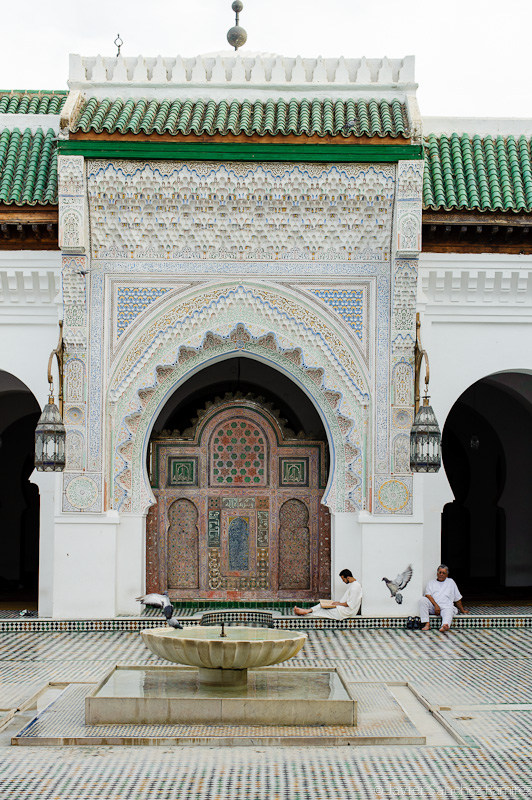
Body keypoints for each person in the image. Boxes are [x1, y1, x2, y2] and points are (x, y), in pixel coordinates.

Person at [293, 569, 362, 619]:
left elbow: (350, 604)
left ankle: (305, 612)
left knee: (322, 611)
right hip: (343, 609)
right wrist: (337, 603)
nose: (343, 581)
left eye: (343, 579)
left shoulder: (355, 587)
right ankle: (306, 611)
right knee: (322, 605)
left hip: (347, 612)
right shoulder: (353, 585)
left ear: (348, 578)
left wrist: (338, 604)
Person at [419, 564, 469, 632]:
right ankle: (427, 624)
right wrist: (436, 605)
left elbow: (457, 597)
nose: (441, 574)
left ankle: (445, 625)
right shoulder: (431, 583)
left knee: (449, 610)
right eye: (440, 572)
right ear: (437, 573)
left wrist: (462, 610)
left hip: (446, 607)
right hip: (434, 607)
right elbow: (427, 595)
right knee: (422, 600)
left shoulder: (451, 582)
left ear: (447, 575)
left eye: (443, 573)